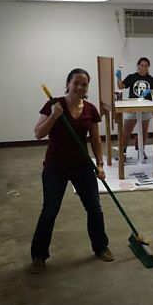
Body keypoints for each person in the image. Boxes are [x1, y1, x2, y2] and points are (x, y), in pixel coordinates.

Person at [30, 68, 112, 274]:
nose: (80, 87)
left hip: (82, 166)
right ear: (68, 83)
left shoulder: (91, 109)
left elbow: (95, 139)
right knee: (50, 211)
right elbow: (39, 133)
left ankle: (100, 246)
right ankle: (39, 256)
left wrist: (100, 164)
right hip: (55, 166)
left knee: (94, 208)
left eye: (84, 84)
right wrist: (54, 116)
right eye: (76, 83)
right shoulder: (54, 105)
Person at [116, 57, 153, 159]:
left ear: (148, 67)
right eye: (142, 65)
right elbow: (121, 86)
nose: (143, 67)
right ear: (138, 66)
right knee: (127, 131)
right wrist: (118, 77)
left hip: (146, 108)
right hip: (133, 107)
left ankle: (141, 151)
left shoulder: (151, 79)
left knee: (144, 132)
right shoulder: (132, 77)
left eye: (146, 65)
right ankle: (123, 152)